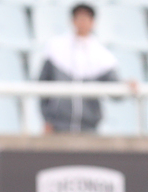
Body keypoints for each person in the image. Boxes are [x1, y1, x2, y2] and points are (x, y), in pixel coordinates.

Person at [38, 3, 120, 134]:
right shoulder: (55, 49)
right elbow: (42, 87)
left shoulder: (102, 55)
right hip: (58, 127)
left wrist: (127, 85)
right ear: (72, 21)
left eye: (86, 18)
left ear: (93, 22)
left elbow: (116, 93)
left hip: (89, 129)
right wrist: (47, 119)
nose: (82, 23)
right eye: (79, 18)